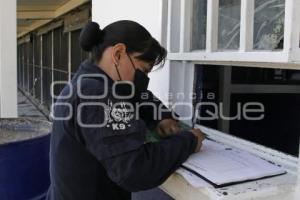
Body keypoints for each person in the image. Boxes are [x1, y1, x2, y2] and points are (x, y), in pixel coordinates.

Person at [47, 20, 205, 200]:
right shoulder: (96, 94)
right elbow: (135, 170)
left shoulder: (91, 81)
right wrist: (190, 141)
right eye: (143, 71)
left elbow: (139, 96)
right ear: (118, 53)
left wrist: (162, 117)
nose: (143, 79)